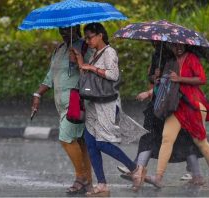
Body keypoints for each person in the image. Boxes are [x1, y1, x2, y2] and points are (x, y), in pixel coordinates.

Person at [73, 22, 147, 196]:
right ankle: (102, 184)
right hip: (93, 103)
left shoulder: (109, 52)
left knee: (102, 143)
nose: (88, 40)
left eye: (90, 37)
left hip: (106, 103)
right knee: (90, 143)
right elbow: (89, 77)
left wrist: (90, 67)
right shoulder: (94, 54)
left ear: (100, 35)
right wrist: (80, 61)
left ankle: (135, 168)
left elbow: (113, 75)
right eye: (86, 37)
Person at [118, 42, 204, 191]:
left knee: (182, 138)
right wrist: (155, 77)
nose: (154, 43)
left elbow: (179, 81)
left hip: (174, 104)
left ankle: (195, 174)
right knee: (152, 137)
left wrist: (157, 85)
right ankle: (139, 173)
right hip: (160, 102)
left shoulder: (179, 56)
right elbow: (155, 79)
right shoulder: (158, 54)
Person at [148, 43, 209, 188]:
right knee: (167, 138)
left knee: (200, 141)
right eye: (174, 46)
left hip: (193, 105)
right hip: (176, 106)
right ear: (170, 47)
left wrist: (180, 78)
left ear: (186, 45)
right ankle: (158, 177)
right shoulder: (170, 62)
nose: (178, 48)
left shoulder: (192, 58)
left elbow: (201, 79)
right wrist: (157, 79)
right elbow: (166, 83)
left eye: (180, 45)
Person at [31, 25, 93, 195]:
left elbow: (93, 73)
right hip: (61, 104)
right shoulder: (59, 49)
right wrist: (38, 94)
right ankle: (89, 182)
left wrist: (78, 62)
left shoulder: (85, 47)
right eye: (62, 30)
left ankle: (81, 178)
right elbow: (50, 76)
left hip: (77, 102)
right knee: (81, 142)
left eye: (68, 30)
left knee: (66, 138)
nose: (64, 33)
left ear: (77, 29)